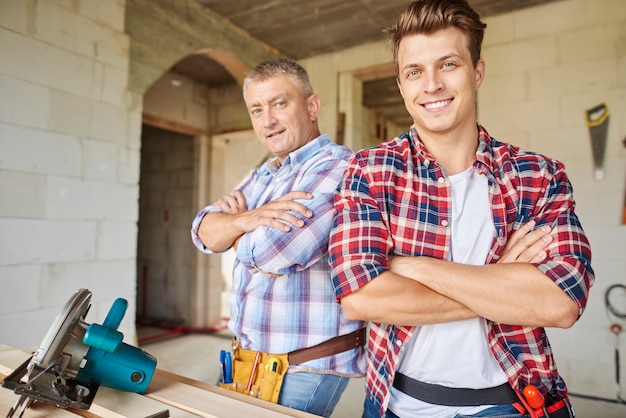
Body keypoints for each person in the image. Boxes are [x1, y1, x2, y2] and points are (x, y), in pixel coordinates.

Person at [328, 1, 594, 417]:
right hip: (398, 405)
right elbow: (361, 298)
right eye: (414, 71)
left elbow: (561, 303)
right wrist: (504, 285)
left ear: (477, 72)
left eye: (447, 64)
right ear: (401, 86)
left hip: (516, 403)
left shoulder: (538, 176)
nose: (431, 84)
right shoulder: (370, 171)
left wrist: (411, 266)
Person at [191, 58, 365, 417]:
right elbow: (202, 231)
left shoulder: (337, 167)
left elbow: (273, 253)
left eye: (279, 103)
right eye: (256, 109)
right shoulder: (265, 174)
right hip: (253, 358)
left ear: (312, 107)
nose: (267, 120)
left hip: (305, 364)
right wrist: (251, 220)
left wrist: (235, 225)